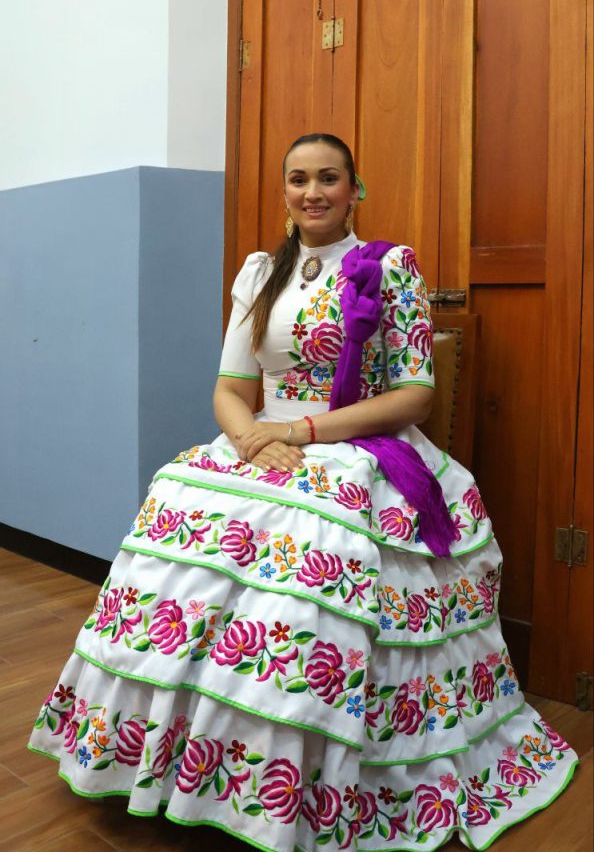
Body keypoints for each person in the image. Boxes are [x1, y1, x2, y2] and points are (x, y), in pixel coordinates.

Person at [29, 133, 577, 850]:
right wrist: (253, 440)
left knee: (314, 544)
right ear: (284, 190)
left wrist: (300, 432)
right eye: (298, 179)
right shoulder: (261, 274)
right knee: (178, 496)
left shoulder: (389, 266)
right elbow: (231, 389)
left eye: (328, 178)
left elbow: (414, 395)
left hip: (357, 444)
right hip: (264, 440)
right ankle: (176, 763)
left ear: (355, 189)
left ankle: (296, 775)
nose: (312, 192)